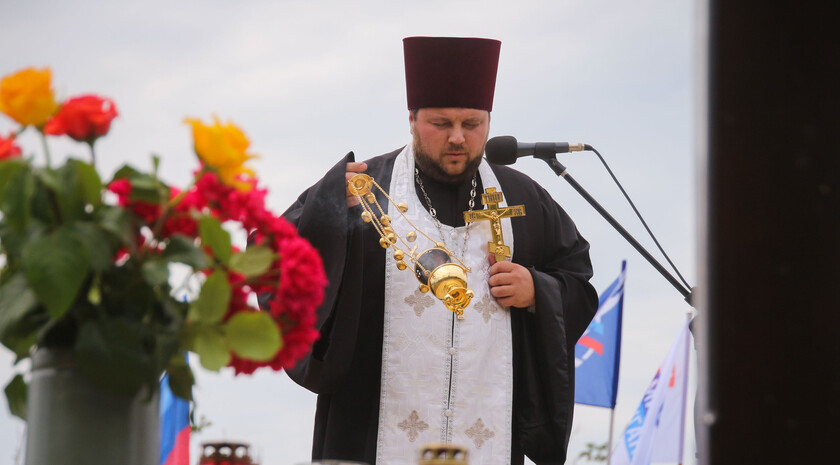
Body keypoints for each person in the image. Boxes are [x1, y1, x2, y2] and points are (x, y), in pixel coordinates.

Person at [282, 37, 598, 465]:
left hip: (489, 433)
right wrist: (327, 215)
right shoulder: (362, 188)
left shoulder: (524, 197)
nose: (457, 138)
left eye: (472, 124)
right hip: (371, 432)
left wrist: (536, 291)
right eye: (440, 123)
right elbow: (278, 254)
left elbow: (577, 281)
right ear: (411, 119)